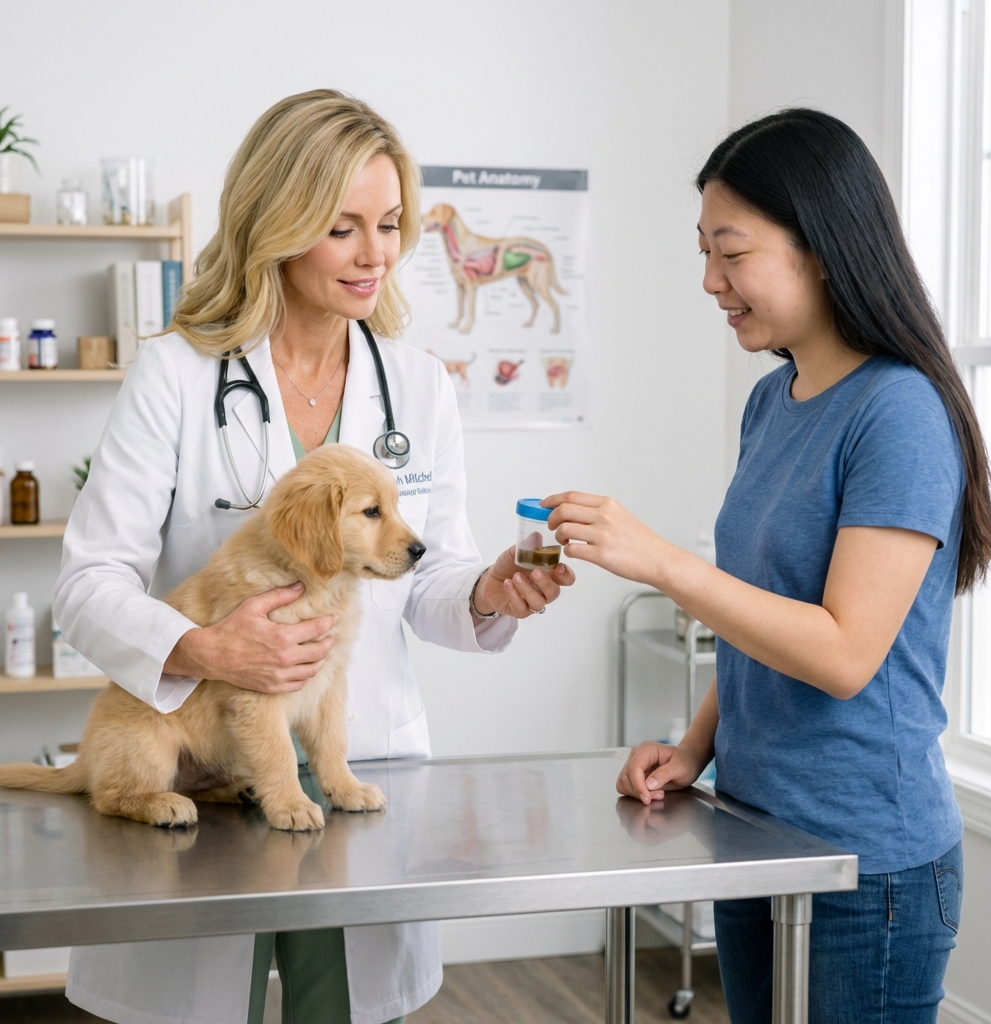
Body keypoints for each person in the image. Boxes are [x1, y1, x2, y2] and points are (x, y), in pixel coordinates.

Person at [54, 89, 573, 1024]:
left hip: (354, 765)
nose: (377, 253)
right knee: (198, 1005)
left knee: (344, 1008)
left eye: (389, 224)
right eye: (343, 228)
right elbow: (88, 583)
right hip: (204, 772)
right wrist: (202, 649)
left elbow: (431, 577)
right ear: (279, 223)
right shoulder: (177, 372)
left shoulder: (414, 383)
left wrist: (490, 590)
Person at [545, 110, 991, 1023]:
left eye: (732, 252)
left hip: (865, 864)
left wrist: (664, 563)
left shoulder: (899, 414)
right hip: (757, 832)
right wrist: (694, 750)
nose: (711, 282)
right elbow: (763, 617)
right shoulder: (775, 400)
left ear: (822, 249)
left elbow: (841, 654)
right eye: (704, 253)